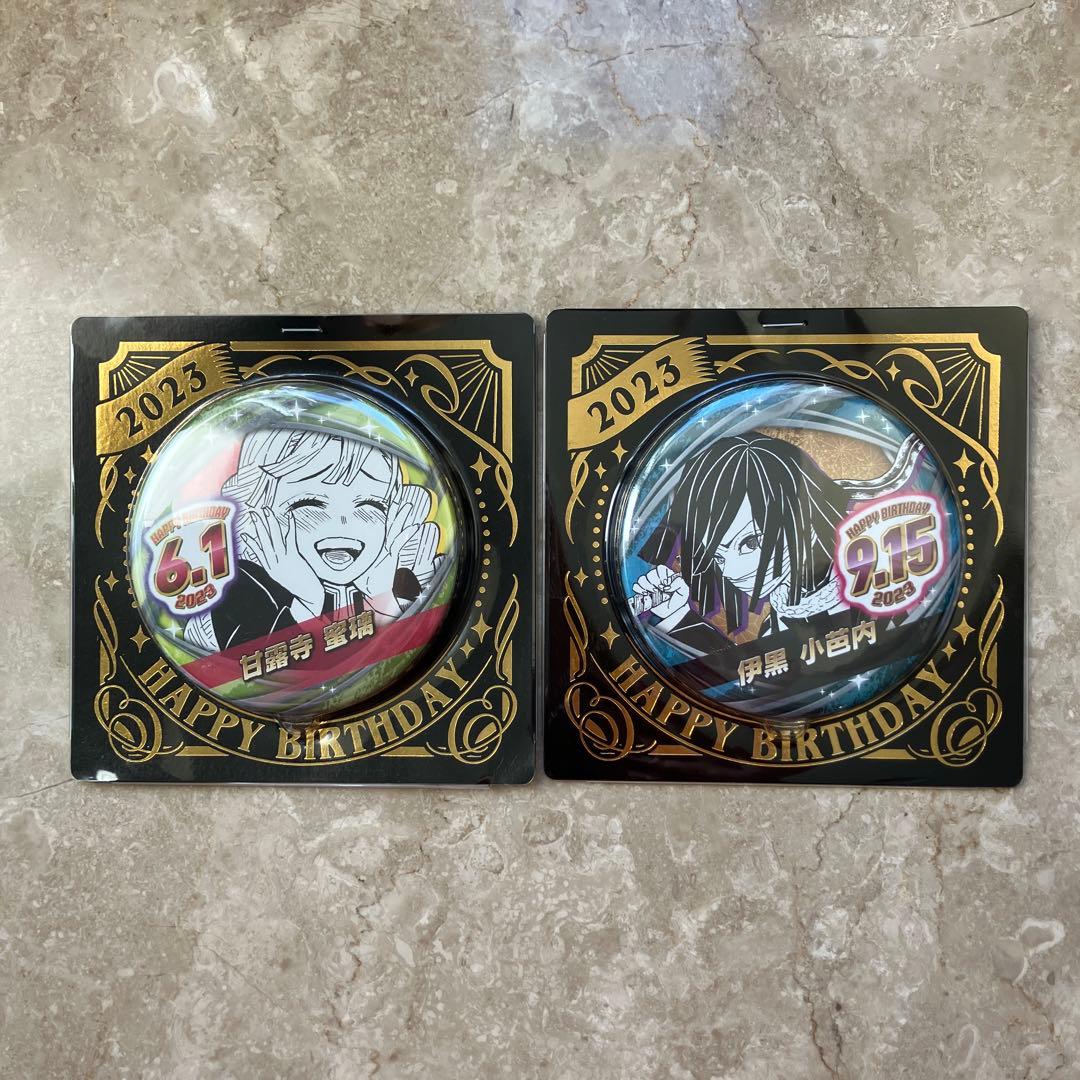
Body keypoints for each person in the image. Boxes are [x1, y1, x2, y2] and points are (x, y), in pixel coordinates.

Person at [185, 427, 441, 652]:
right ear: (258, 509)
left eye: (371, 505)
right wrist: (307, 604)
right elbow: (258, 679)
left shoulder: (417, 578)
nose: (343, 524)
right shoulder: (230, 596)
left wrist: (384, 599)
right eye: (309, 503)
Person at [631, 434, 854, 650]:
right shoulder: (783, 615)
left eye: (751, 543)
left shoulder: (865, 582)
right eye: (718, 556)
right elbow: (754, 671)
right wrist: (676, 614)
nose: (731, 572)